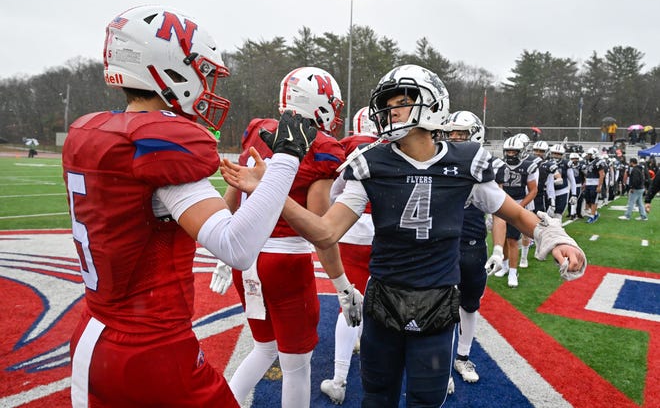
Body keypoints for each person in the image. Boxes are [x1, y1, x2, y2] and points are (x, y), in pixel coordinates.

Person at [221, 64, 587, 407]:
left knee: (425, 401)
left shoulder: (467, 161)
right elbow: (325, 231)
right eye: (387, 105)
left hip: (438, 303)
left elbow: (514, 212)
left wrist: (554, 238)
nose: (390, 112)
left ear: (430, 104)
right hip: (384, 303)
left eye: (401, 103)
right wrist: (272, 192)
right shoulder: (370, 163)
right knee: (377, 398)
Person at [62, 5, 319, 408]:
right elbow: (236, 246)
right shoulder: (155, 141)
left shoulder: (92, 132)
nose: (207, 84)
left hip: (92, 335)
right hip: (152, 349)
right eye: (201, 71)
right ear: (169, 69)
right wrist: (286, 159)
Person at [218, 66, 360, 408]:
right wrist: (342, 286)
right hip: (285, 261)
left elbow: (234, 194)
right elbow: (321, 232)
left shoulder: (258, 130)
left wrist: (225, 252)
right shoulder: (322, 146)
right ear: (317, 103)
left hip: (246, 258)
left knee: (264, 348)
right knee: (297, 364)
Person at [320, 106, 380, 404]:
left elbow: (335, 192)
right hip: (384, 232)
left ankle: (340, 379)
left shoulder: (346, 147)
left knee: (350, 298)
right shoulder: (389, 147)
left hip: (353, 230)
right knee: (383, 300)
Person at [436, 111, 488, 390]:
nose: (454, 139)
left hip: (473, 245)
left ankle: (463, 356)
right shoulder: (438, 163)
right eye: (451, 133)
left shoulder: (484, 167)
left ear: (475, 135)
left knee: (469, 304)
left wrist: (501, 248)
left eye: (461, 134)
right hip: (445, 246)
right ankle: (441, 368)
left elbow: (501, 208)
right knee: (442, 306)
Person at [492, 135, 538, 288]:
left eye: (514, 152)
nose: (510, 154)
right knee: (502, 239)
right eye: (508, 152)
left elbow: (533, 190)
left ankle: (513, 271)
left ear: (522, 152)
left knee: (512, 240)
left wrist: (520, 206)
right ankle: (504, 266)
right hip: (502, 202)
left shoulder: (528, 166)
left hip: (518, 202)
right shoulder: (499, 165)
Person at [545, 144, 576, 219]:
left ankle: (557, 230)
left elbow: (572, 180)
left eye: (559, 154)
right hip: (548, 192)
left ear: (563, 155)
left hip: (562, 191)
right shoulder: (546, 162)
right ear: (551, 153)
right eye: (555, 153)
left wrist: (574, 194)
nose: (556, 155)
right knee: (547, 215)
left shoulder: (566, 163)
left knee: (558, 214)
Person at [583, 147, 606, 223]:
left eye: (590, 154)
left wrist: (599, 186)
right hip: (588, 183)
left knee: (593, 201)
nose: (588, 156)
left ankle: (592, 216)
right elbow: (587, 174)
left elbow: (602, 174)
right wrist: (585, 183)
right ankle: (595, 213)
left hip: (595, 184)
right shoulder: (587, 162)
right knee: (588, 200)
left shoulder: (598, 162)